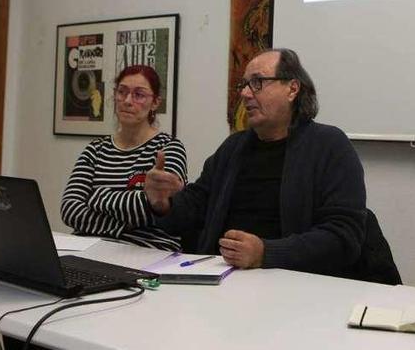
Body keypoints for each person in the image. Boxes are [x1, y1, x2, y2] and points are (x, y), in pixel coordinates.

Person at [143, 49, 373, 276]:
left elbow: (344, 237)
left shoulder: (329, 146)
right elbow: (196, 207)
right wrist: (163, 204)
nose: (245, 93)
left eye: (257, 83)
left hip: (297, 285)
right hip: (223, 279)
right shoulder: (233, 148)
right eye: (243, 85)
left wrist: (265, 253)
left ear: (292, 89)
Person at [60, 64, 187, 251]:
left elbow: (157, 208)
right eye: (122, 92)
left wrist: (97, 197)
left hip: (147, 251)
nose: (128, 100)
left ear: (155, 103)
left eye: (139, 94)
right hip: (89, 248)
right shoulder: (95, 149)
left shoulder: (168, 148)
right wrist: (122, 225)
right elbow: (70, 209)